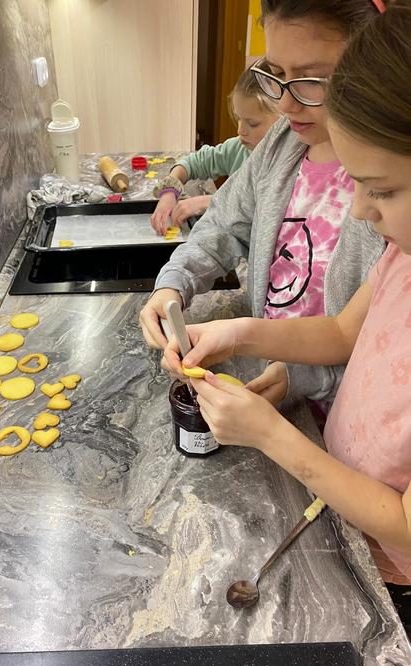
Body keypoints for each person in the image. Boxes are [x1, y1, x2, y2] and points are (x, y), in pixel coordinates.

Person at [164, 0, 411, 633]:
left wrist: (274, 435)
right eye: (276, 75)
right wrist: (238, 332)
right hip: (338, 495)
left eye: (380, 189)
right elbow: (342, 332)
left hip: (394, 568)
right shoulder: (402, 258)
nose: (359, 211)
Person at [141, 0, 386, 410]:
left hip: (346, 413)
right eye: (276, 73)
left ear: (372, 67)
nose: (285, 105)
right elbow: (224, 224)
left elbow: (367, 337)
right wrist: (173, 283)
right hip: (272, 385)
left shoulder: (391, 188)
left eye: (311, 79)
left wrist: (298, 376)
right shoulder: (282, 142)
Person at [150, 69, 280, 235]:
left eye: (252, 123)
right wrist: (170, 190)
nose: (240, 130)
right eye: (238, 118)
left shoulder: (290, 166)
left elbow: (265, 209)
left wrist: (210, 202)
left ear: (284, 120)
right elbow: (194, 162)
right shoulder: (238, 149)